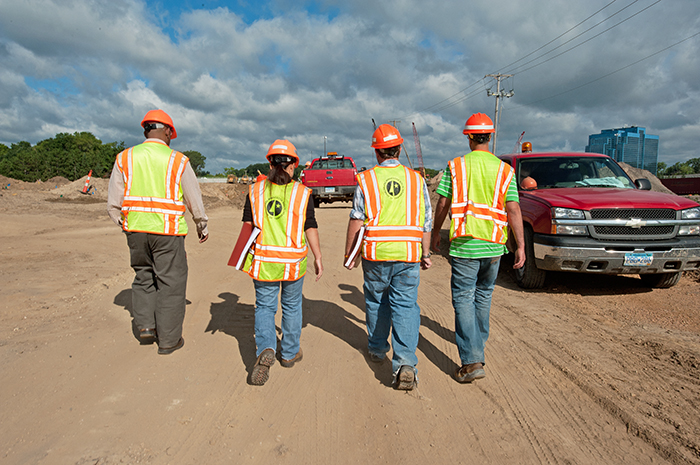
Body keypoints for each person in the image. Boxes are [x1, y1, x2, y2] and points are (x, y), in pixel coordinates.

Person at [431, 112, 525, 383]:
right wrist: (520, 246)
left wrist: (437, 232)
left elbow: (442, 203)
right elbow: (514, 208)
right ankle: (476, 342)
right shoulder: (505, 170)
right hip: (494, 245)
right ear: (490, 136)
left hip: (465, 245)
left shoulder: (456, 167)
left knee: (463, 298)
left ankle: (472, 360)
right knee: (483, 295)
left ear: (469, 137)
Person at [107, 109, 208, 355]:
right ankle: (169, 340)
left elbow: (113, 202)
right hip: (168, 233)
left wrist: (125, 224)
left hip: (136, 231)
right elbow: (193, 196)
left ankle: (145, 327)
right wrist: (201, 224)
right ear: (167, 132)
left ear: (146, 130)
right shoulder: (177, 160)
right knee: (171, 283)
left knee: (143, 277)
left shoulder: (125, 158)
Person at [344, 124, 432, 391]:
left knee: (376, 301)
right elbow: (426, 221)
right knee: (405, 306)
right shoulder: (416, 180)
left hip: (376, 254)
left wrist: (351, 253)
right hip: (408, 254)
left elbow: (357, 219)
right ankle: (405, 362)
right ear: (398, 148)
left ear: (377, 153)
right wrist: (425, 253)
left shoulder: (367, 179)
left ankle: (378, 348)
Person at [242, 140, 323, 386]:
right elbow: (310, 226)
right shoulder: (302, 192)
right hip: (292, 264)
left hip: (264, 262)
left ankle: (266, 348)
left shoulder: (255, 191)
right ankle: (288, 353)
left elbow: (247, 225)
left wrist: (242, 256)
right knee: (291, 306)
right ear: (293, 165)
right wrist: (318, 256)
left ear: (270, 163)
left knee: (265, 308)